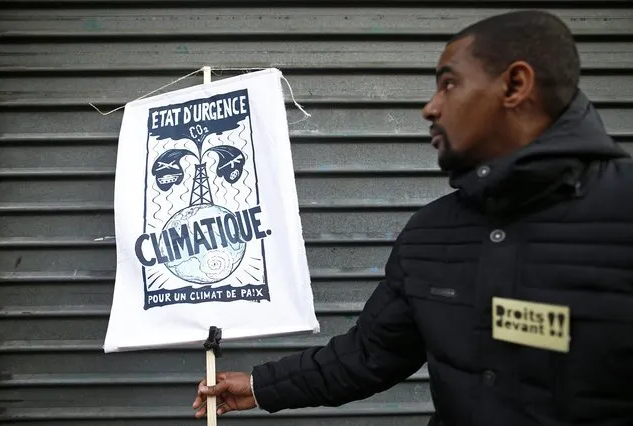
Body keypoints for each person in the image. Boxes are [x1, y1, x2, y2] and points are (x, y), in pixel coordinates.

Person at [192, 10, 633, 426]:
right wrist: (259, 386)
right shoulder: (431, 234)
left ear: (515, 85)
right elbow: (369, 355)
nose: (430, 108)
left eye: (449, 84)